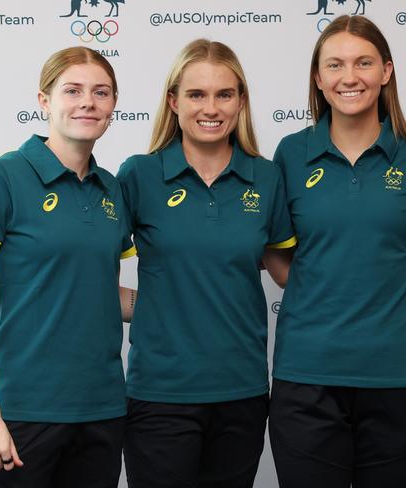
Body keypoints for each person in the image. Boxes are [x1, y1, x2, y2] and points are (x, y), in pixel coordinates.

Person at [268, 15, 406, 488]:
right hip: (307, 378)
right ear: (319, 79)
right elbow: (277, 257)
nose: (350, 77)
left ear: (386, 71)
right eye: (336, 65)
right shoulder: (290, 154)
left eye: (364, 62)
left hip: (401, 380)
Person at [117, 39, 295, 488]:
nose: (210, 107)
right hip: (160, 393)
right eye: (196, 94)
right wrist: (14, 279)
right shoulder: (138, 175)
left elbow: (288, 270)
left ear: (240, 102)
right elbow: (80, 258)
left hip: (243, 393)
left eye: (224, 94)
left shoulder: (268, 177)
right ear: (174, 101)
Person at [0, 46, 135, 488]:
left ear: (114, 104)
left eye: (101, 92)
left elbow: (99, 293)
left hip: (102, 414)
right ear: (44, 101)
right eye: (72, 90)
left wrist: (204, 297)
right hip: (20, 415)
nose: (87, 102)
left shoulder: (112, 190)